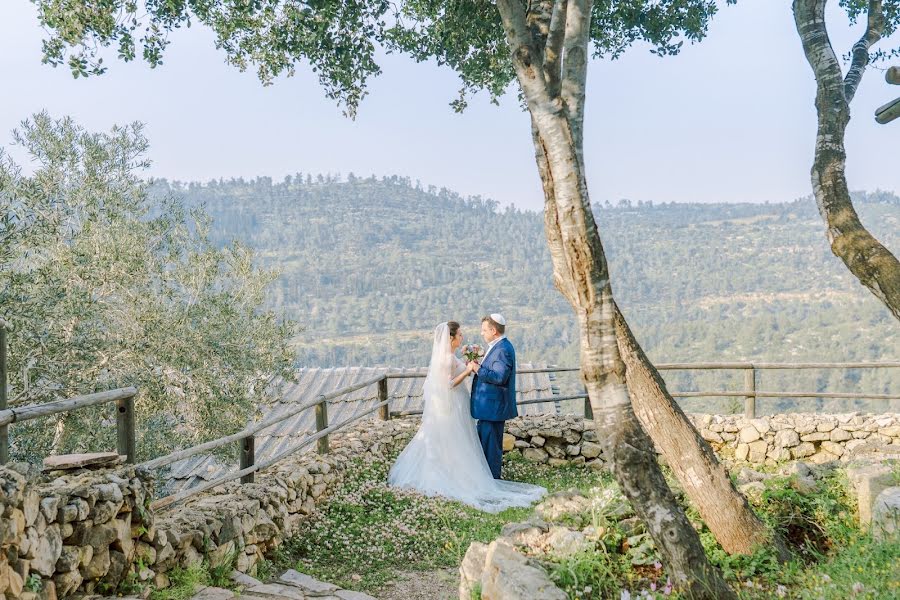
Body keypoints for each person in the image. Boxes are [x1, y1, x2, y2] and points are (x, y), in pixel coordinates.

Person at [387, 321, 545, 513]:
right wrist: (469, 370)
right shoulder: (446, 359)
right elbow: (448, 384)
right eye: (459, 335)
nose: (463, 337)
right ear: (451, 338)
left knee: (461, 441)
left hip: (461, 402)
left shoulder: (452, 356)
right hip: (454, 403)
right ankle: (454, 476)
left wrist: (472, 364)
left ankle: (461, 473)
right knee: (455, 440)